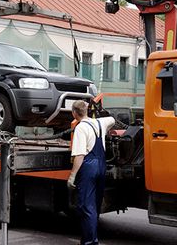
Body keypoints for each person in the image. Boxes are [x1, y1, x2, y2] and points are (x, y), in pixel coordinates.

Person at [67, 100, 115, 245]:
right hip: (101, 166)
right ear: (86, 111)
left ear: (74, 113)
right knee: (95, 204)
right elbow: (112, 119)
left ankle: (89, 242)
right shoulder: (100, 123)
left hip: (89, 167)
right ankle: (91, 239)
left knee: (86, 207)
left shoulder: (81, 128)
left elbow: (79, 155)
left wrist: (72, 176)